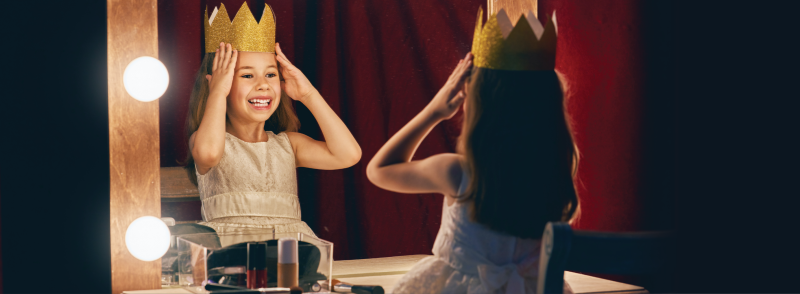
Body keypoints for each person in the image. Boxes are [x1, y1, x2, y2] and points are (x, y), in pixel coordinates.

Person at [366, 8, 577, 294]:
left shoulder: (458, 173)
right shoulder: (555, 175)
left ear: (479, 104)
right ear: (551, 107)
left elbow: (379, 170)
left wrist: (434, 111)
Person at [184, 3, 361, 237]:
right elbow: (207, 153)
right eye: (247, 75)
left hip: (290, 257)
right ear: (218, 83)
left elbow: (348, 155)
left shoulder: (289, 145)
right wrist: (217, 92)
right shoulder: (209, 142)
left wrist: (309, 95)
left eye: (270, 74)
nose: (263, 84)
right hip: (233, 257)